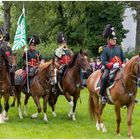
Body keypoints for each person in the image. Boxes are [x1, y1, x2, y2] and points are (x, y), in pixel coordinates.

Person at [100, 24, 126, 104]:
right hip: (109, 68)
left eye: (115, 40)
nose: (115, 41)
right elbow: (103, 61)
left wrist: (124, 63)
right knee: (104, 78)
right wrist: (112, 65)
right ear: (109, 40)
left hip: (120, 67)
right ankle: (103, 96)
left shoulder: (119, 48)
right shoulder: (105, 49)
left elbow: (123, 58)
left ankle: (129, 96)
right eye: (113, 39)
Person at [0, 28, 16, 95]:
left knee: (12, 72)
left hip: (4, 62)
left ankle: (11, 88)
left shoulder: (6, 44)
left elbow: (11, 54)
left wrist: (13, 62)